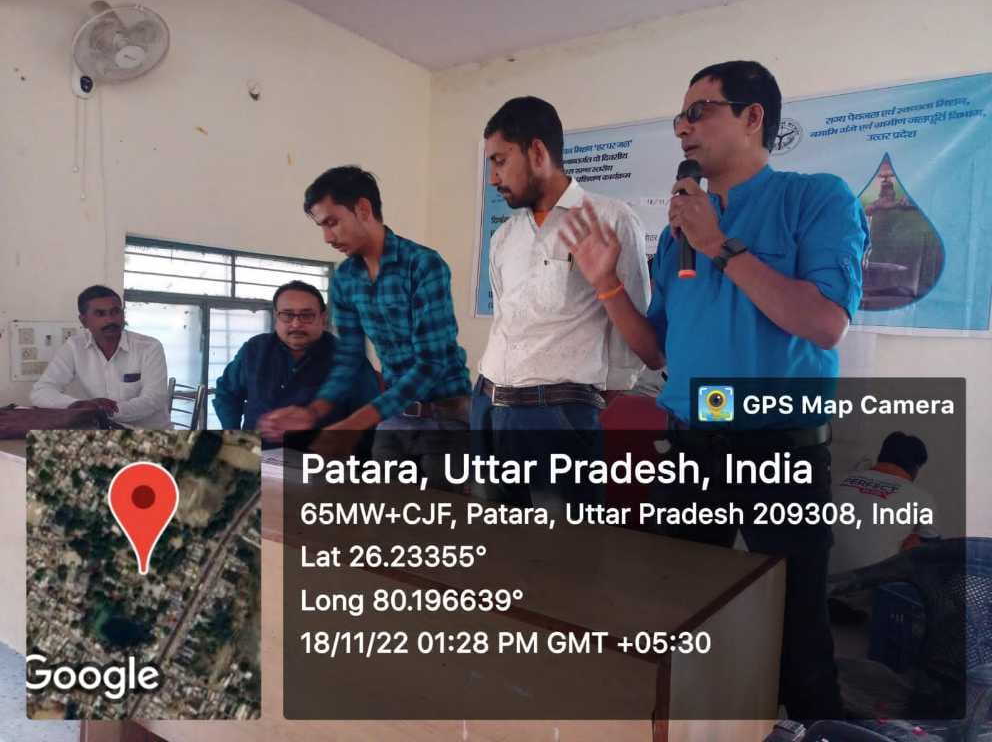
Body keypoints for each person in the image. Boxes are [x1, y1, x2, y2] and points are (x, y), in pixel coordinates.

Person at [562, 61, 869, 721]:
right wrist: (606, 283)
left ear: (753, 117)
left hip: (780, 454)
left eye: (699, 111)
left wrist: (720, 245)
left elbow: (824, 323)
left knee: (797, 634)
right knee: (672, 614)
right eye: (679, 117)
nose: (682, 127)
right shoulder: (680, 233)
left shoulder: (815, 198)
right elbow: (657, 351)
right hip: (689, 450)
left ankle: (815, 728)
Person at [472, 96, 650, 507]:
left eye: (500, 161)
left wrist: (574, 408)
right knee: (492, 536)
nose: (493, 177)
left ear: (537, 153)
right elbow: (504, 322)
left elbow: (632, 338)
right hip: (487, 406)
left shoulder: (610, 220)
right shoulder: (504, 236)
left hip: (554, 417)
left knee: (561, 544)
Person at [259, 166, 471, 482]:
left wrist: (355, 424)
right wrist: (314, 411)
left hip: (446, 419)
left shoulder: (423, 264)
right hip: (393, 415)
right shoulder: (345, 278)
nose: (327, 238)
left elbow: (432, 364)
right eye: (321, 227)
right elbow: (349, 357)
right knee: (379, 508)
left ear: (363, 209)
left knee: (438, 512)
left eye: (332, 222)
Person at [212, 280, 379, 439]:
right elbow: (226, 393)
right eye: (287, 315)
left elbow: (371, 412)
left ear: (323, 319)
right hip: (256, 449)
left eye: (307, 315)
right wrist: (234, 433)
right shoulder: (254, 349)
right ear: (276, 318)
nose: (296, 324)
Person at [31, 285, 170, 429]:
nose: (110, 320)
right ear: (84, 321)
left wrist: (103, 411)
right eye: (100, 314)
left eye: (115, 312)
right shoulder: (74, 347)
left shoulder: (149, 347)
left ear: (123, 315)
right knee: (37, 441)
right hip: (100, 433)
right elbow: (41, 391)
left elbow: (154, 399)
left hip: (150, 435)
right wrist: (77, 405)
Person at [830, 432, 938, 574]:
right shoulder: (920, 497)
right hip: (870, 583)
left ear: (880, 456)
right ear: (915, 468)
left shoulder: (837, 480)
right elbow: (934, 550)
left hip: (817, 576)